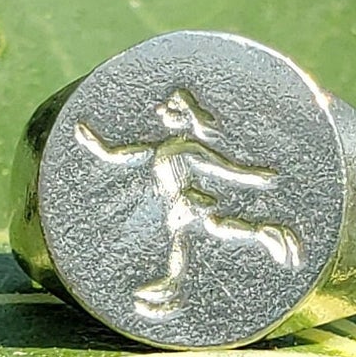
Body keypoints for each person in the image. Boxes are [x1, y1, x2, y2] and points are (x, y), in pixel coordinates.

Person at [75, 88, 302, 315]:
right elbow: (118, 155)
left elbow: (225, 169)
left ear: (183, 118)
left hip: (186, 199)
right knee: (212, 226)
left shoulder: (189, 149)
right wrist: (94, 144)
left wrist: (252, 176)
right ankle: (264, 233)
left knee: (181, 234)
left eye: (169, 108)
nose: (160, 110)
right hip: (181, 200)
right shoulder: (159, 148)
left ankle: (171, 286)